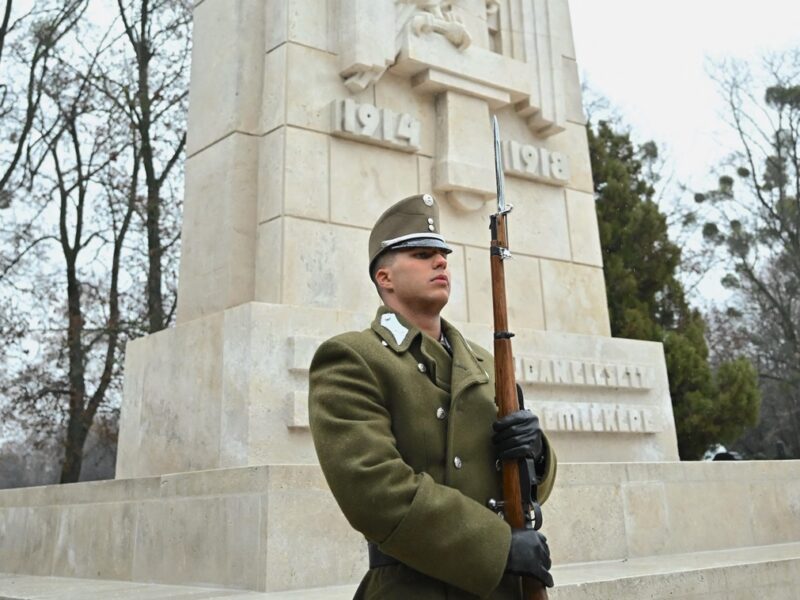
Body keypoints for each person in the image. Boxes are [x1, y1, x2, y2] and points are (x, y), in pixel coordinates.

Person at [309, 193, 557, 599]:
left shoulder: (484, 361)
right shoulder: (353, 358)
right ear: (384, 277)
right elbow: (374, 490)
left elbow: (522, 488)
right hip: (415, 588)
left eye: (442, 254)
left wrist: (538, 456)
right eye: (423, 254)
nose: (441, 262)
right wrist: (496, 548)